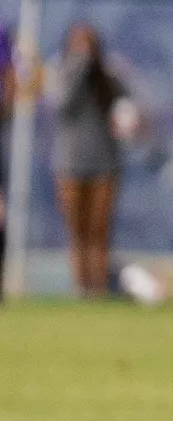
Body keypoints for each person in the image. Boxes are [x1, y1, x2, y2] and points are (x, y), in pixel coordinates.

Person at [51, 23, 126, 298]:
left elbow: (130, 110)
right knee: (77, 231)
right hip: (69, 162)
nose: (83, 50)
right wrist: (78, 68)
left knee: (99, 230)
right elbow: (62, 106)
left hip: (104, 161)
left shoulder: (110, 77)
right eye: (77, 43)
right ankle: (81, 289)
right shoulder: (62, 72)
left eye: (87, 43)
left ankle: (99, 290)